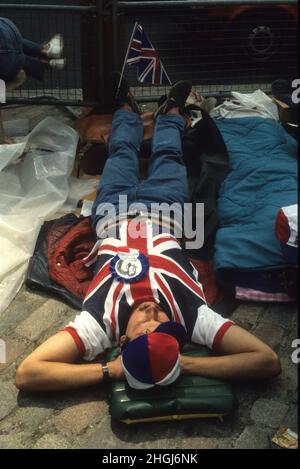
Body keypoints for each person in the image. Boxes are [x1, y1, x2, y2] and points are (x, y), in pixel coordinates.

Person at [15, 75, 281, 392]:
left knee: (121, 154)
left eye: (145, 331)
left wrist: (111, 371)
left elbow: (29, 373)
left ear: (124, 341)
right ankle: (170, 111)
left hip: (112, 213)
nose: (153, 315)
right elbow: (267, 360)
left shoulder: (100, 323)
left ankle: (126, 108)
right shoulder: (192, 317)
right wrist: (185, 364)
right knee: (169, 154)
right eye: (163, 328)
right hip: (165, 213)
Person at [0, 17, 66, 86]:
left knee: (16, 61)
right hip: (8, 35)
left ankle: (46, 62)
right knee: (15, 43)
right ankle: (45, 50)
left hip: (8, 65)